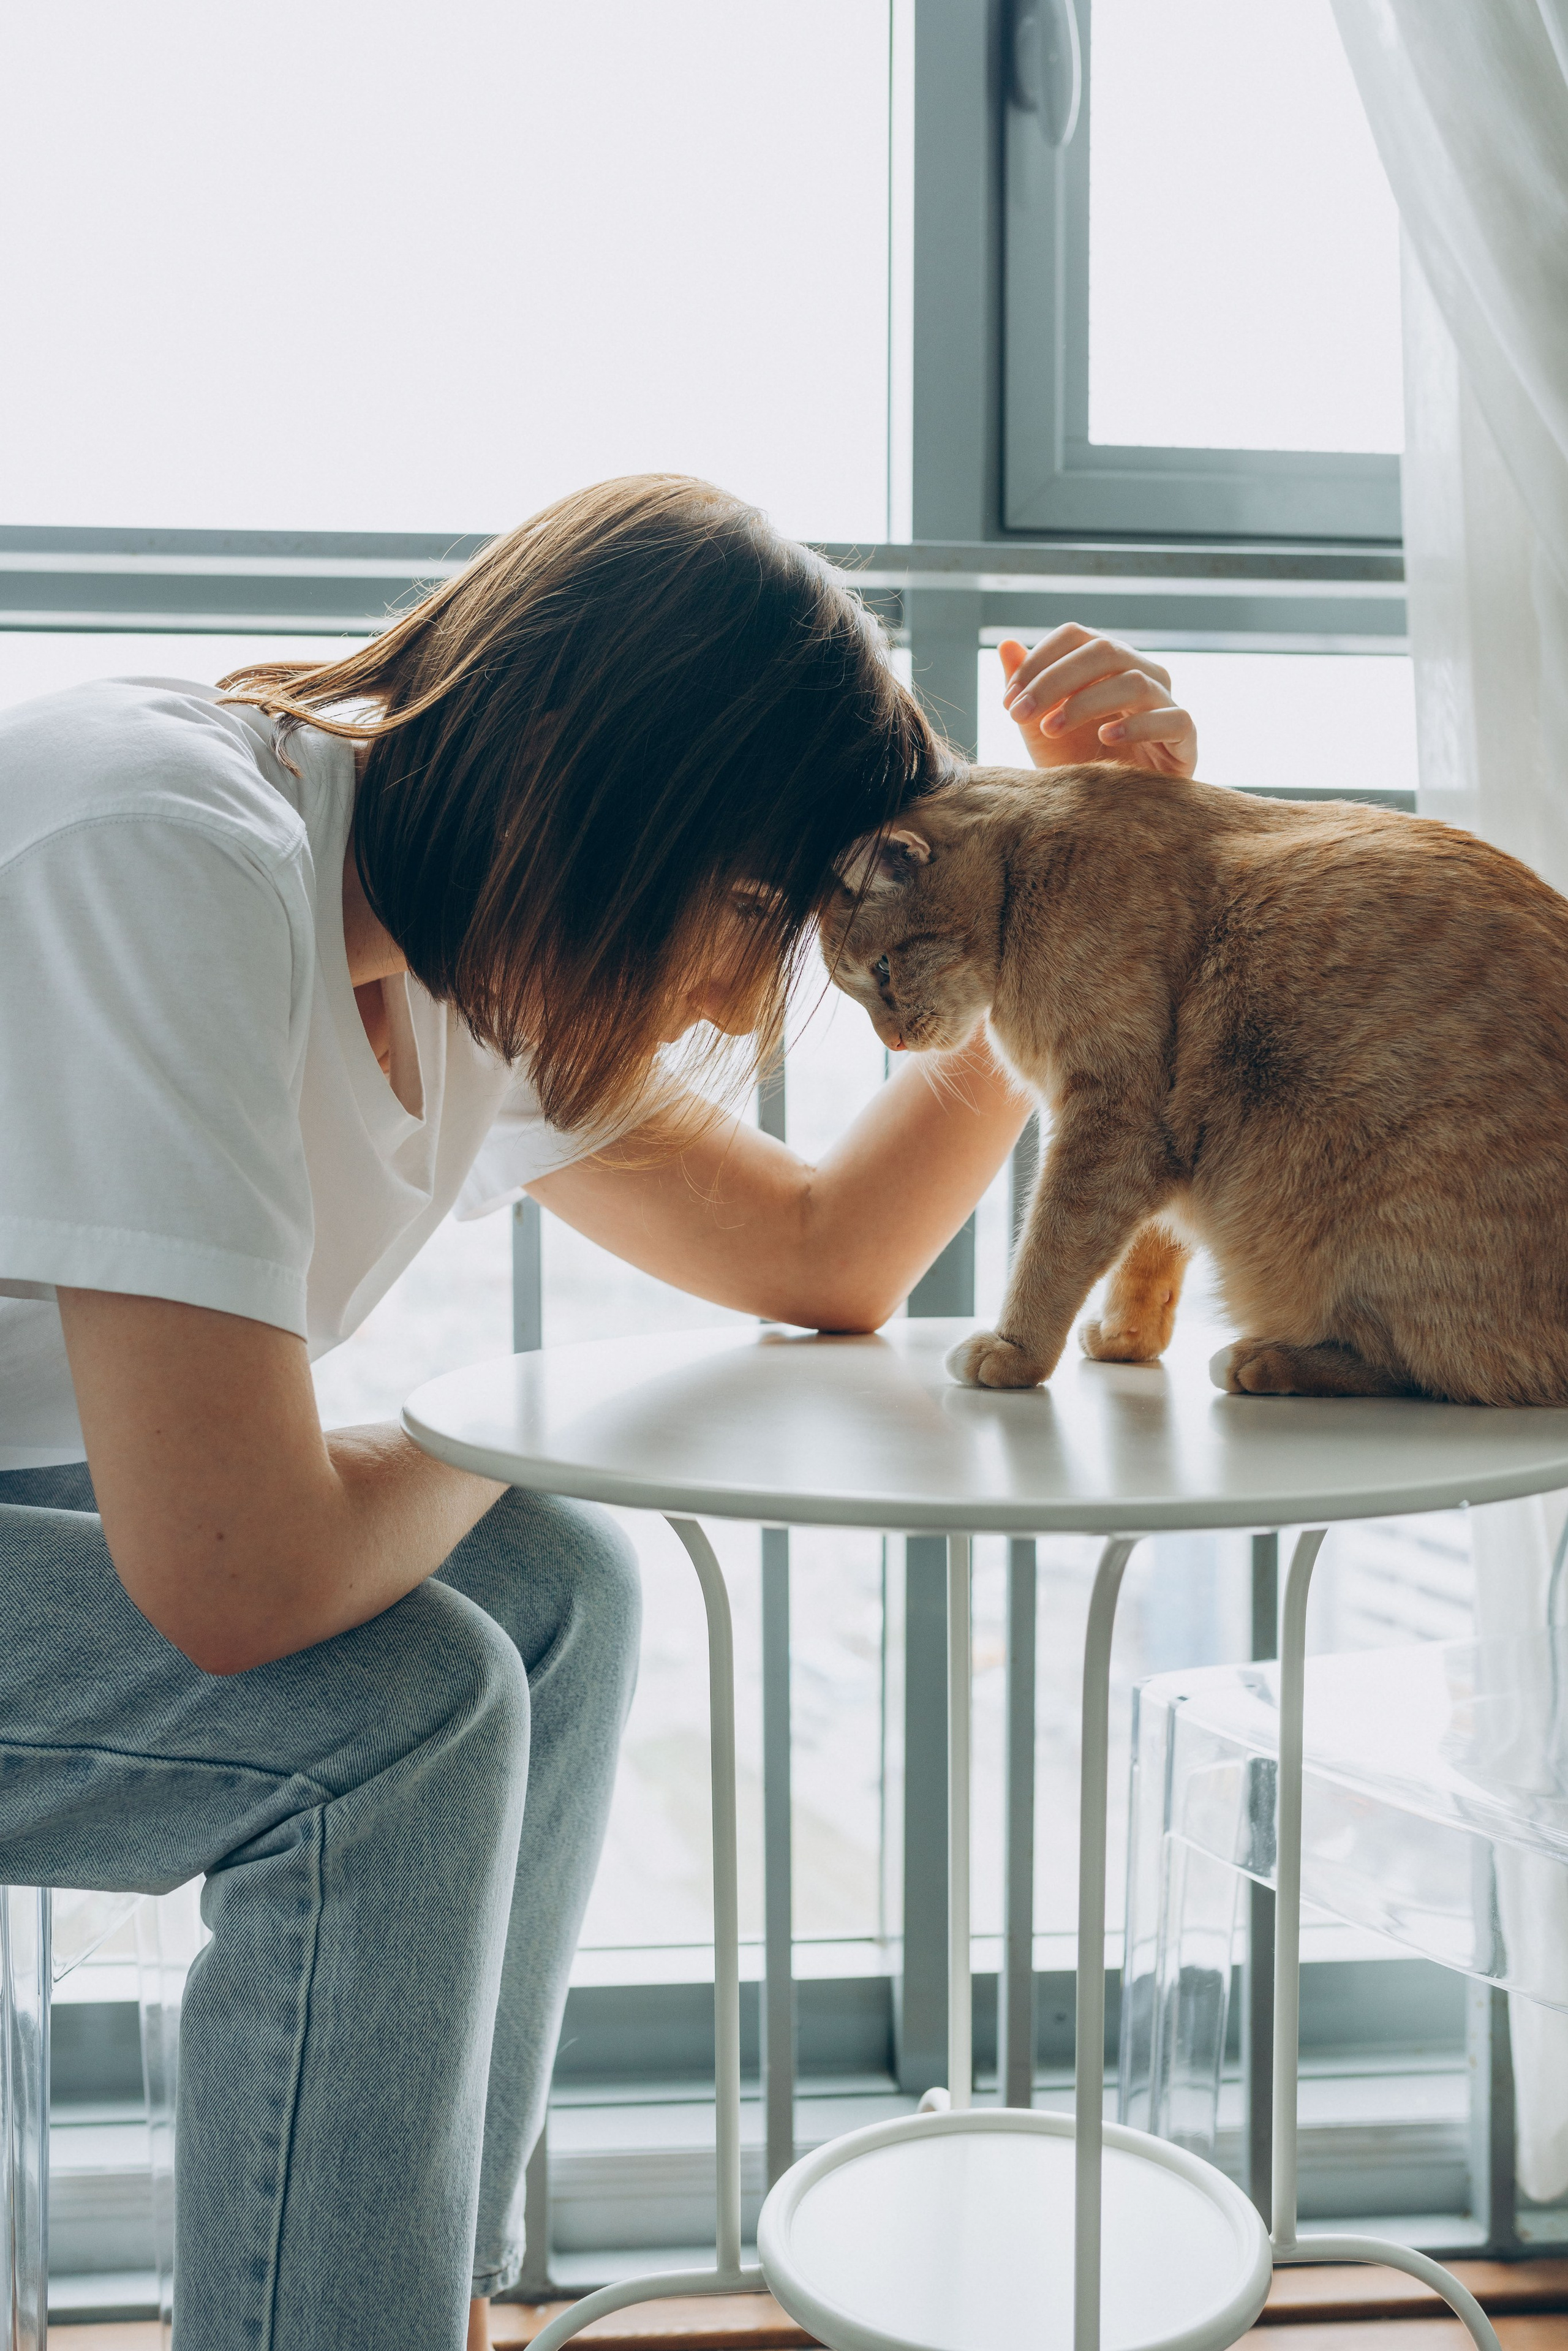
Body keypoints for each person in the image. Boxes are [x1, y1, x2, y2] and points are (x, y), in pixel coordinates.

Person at [0, 475, 1197, 2351]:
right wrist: (501, 1414)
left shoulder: (460, 951)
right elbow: (239, 1576)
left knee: (563, 1589)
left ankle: (408, 2301)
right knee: (392, 1713)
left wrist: (1057, 892)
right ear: (574, 779)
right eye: (744, 907)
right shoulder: (164, 850)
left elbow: (827, 1251)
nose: (727, 994)